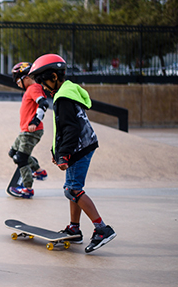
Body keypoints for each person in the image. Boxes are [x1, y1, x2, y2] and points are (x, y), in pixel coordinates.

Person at [29, 54, 116, 253]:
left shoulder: (63, 98)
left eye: (43, 81)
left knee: (73, 190)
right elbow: (63, 127)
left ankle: (102, 228)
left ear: (53, 76)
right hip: (81, 146)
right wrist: (58, 150)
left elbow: (70, 129)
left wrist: (64, 154)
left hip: (79, 147)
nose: (43, 86)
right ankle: (74, 228)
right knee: (72, 188)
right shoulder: (67, 92)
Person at [7, 61, 49, 198]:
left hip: (31, 131)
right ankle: (38, 170)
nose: (17, 84)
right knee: (13, 152)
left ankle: (27, 188)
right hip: (24, 131)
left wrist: (35, 121)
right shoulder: (30, 90)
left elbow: (43, 103)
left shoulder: (34, 88)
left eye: (18, 81)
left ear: (26, 78)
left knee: (21, 158)